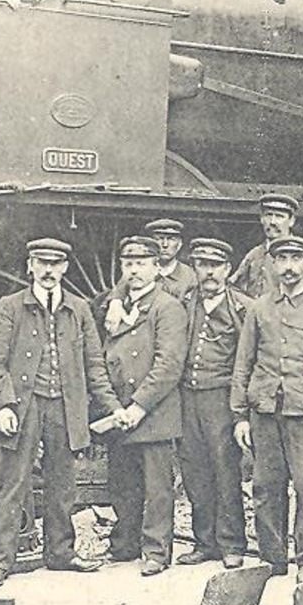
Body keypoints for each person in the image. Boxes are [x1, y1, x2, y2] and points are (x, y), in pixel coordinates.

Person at [0, 238, 123, 587]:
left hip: (64, 406)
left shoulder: (78, 309)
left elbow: (94, 365)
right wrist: (4, 404)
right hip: (25, 405)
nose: (48, 271)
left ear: (65, 269)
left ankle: (60, 553)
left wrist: (113, 407)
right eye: (41, 263)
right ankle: (0, 561)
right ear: (30, 266)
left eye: (55, 264)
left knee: (64, 484)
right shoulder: (10, 306)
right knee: (14, 482)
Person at [231, 235, 303, 579]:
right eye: (282, 259)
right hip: (265, 409)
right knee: (266, 487)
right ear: (273, 265)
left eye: (296, 259)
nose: (289, 267)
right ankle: (273, 558)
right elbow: (244, 362)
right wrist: (240, 415)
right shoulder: (260, 308)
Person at [100, 236, 188, 576]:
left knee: (157, 488)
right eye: (128, 264)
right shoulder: (118, 305)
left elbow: (168, 365)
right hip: (120, 410)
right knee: (123, 483)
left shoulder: (168, 308)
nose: (134, 270)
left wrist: (139, 406)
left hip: (153, 412)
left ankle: (156, 550)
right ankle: (124, 544)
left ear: (155, 267)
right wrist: (115, 299)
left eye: (141, 263)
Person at [176, 238, 252, 569]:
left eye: (215, 266)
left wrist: (239, 410)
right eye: (202, 265)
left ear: (228, 270)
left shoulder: (241, 307)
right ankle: (204, 542)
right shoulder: (185, 301)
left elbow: (246, 361)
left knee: (225, 471)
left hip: (221, 399)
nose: (208, 272)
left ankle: (232, 543)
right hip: (187, 398)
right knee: (195, 472)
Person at [231, 193, 300, 300]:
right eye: (268, 215)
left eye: (279, 216)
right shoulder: (254, 254)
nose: (272, 222)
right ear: (262, 219)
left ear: (291, 221)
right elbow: (234, 285)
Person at [143, 218, 198, 303]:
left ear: (179, 244)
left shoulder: (191, 276)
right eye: (159, 239)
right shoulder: (141, 271)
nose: (165, 245)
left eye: (171, 239)